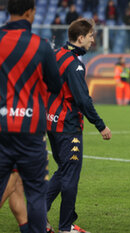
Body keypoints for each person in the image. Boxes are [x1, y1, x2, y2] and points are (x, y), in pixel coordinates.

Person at [0, 0, 62, 232]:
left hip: (1, 126)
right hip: (30, 129)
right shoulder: (41, 45)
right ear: (30, 12)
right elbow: (55, 85)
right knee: (35, 192)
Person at [46, 18, 112, 233]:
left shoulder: (56, 55)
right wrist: (101, 125)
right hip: (68, 126)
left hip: (51, 123)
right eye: (91, 36)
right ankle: (66, 227)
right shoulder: (75, 64)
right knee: (70, 177)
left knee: (63, 171)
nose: (93, 40)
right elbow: (83, 100)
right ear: (80, 38)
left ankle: (35, 215)